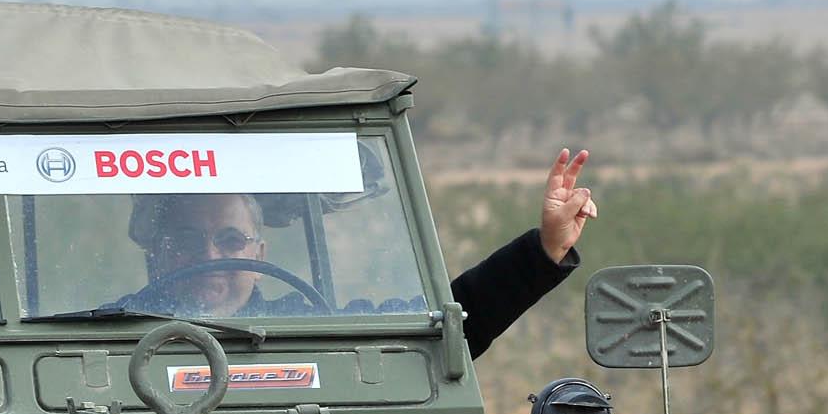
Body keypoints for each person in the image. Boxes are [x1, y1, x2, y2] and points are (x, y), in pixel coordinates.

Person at [126, 149, 599, 357]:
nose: (211, 257)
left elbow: (439, 332)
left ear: (260, 254)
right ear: (157, 254)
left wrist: (543, 248)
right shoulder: (107, 336)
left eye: (230, 241)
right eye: (187, 242)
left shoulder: (310, 329)